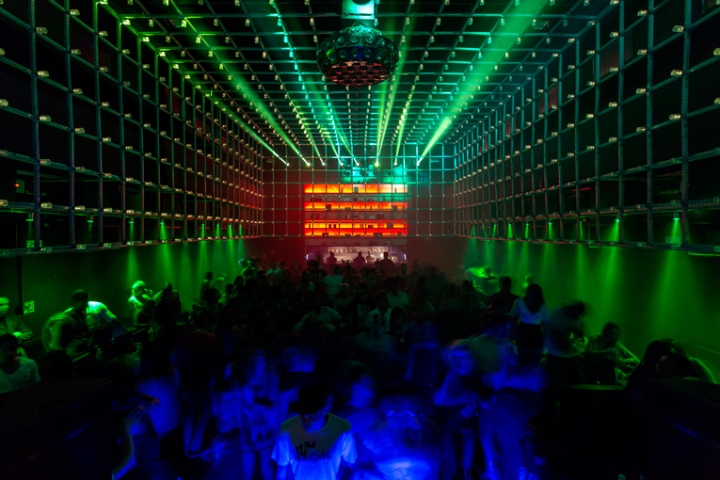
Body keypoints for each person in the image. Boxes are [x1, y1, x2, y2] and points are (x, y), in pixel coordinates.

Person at [272, 382, 357, 480]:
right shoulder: (287, 430)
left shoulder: (342, 430)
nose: (305, 421)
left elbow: (350, 465)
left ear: (324, 410)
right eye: (302, 414)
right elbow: (282, 470)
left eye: (311, 416)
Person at [42, 289, 94, 359]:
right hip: (69, 357)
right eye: (85, 302)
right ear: (79, 302)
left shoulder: (82, 316)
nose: (87, 306)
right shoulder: (65, 319)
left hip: (79, 356)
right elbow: (55, 346)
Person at [508, 283, 548, 365]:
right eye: (527, 292)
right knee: (523, 358)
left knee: (534, 359)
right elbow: (511, 316)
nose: (528, 295)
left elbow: (545, 322)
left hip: (535, 334)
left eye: (530, 293)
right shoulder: (519, 302)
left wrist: (545, 337)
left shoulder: (542, 304)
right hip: (524, 333)